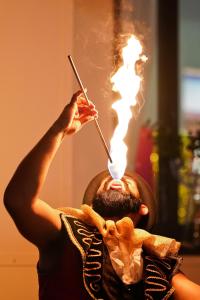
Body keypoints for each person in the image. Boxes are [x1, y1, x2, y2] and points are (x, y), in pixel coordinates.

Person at [4, 91, 200, 300]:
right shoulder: (65, 231)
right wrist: (59, 130)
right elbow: (18, 200)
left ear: (143, 207)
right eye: (106, 183)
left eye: (127, 182)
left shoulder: (158, 261)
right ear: (93, 204)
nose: (116, 179)